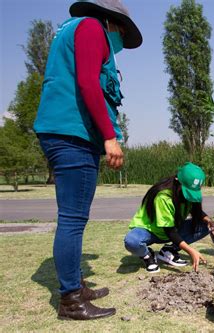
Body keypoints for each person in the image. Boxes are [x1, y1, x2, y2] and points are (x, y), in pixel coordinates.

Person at [33, 0, 142, 320]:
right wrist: (109, 136)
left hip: (63, 130)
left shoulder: (71, 30)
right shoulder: (93, 27)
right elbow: (88, 83)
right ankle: (70, 300)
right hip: (71, 133)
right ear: (112, 23)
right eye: (122, 31)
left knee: (73, 216)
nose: (121, 39)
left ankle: (75, 284)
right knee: (72, 217)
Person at [124, 162, 214, 273]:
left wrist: (210, 221)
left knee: (206, 226)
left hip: (173, 229)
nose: (188, 196)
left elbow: (196, 211)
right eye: (187, 191)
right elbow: (170, 231)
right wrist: (191, 251)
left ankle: (169, 250)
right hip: (150, 232)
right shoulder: (163, 196)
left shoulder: (186, 197)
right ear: (178, 182)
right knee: (131, 241)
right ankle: (147, 255)